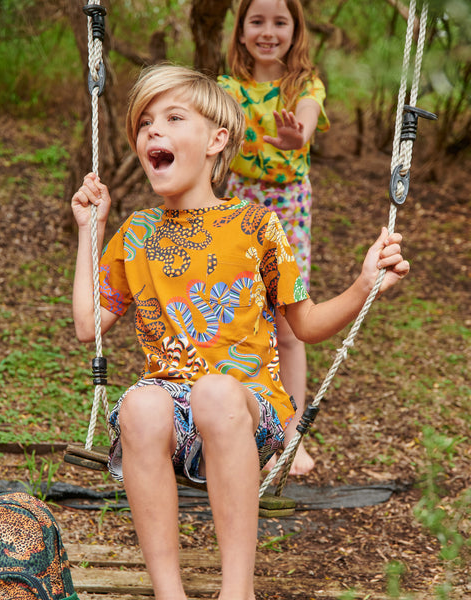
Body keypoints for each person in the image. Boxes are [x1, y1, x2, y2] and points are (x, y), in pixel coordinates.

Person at [71, 64, 409, 600]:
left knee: (215, 391)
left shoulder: (256, 225)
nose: (152, 131)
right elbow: (89, 324)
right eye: (144, 124)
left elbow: (306, 323)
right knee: (139, 405)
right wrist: (91, 231)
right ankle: (169, 593)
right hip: (174, 411)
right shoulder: (137, 232)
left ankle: (237, 592)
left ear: (216, 140)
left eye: (173, 118)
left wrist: (364, 283)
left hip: (249, 410)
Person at [218, 0, 330, 475]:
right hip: (239, 204)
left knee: (287, 322)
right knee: (239, 316)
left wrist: (295, 136)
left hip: (288, 207)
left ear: (295, 29)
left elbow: (303, 124)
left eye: (279, 22)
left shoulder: (304, 84)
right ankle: (237, 428)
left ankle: (290, 435)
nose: (268, 31)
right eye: (257, 21)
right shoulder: (225, 89)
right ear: (241, 31)